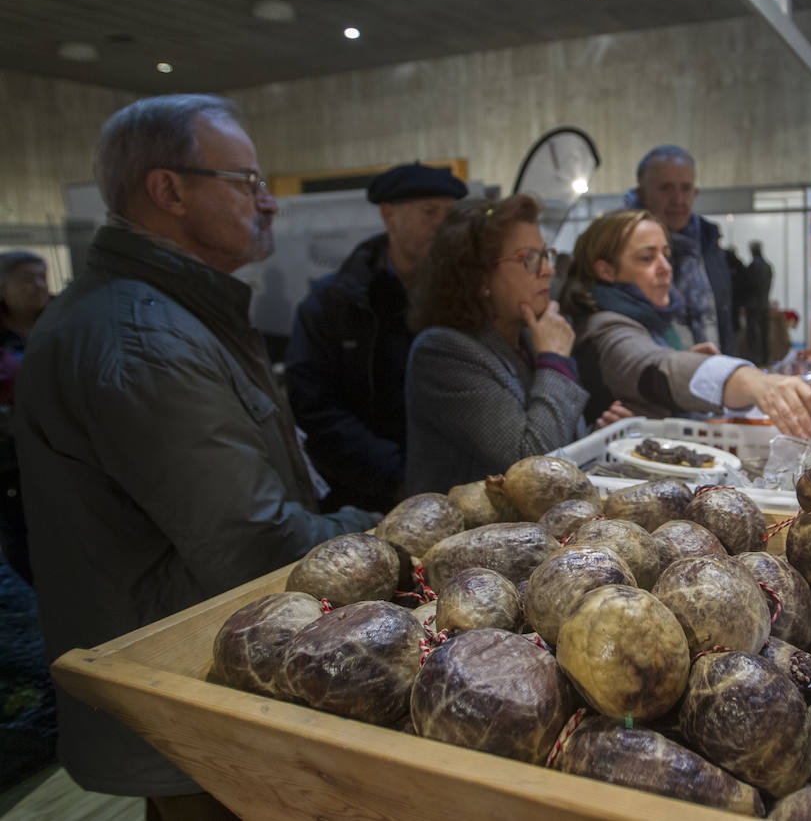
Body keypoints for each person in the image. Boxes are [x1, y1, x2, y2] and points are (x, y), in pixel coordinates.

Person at [13, 94, 379, 815]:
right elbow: (252, 542)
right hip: (187, 696)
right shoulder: (141, 338)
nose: (268, 202)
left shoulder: (165, 314)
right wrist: (385, 532)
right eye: (246, 182)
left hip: (197, 686)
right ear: (168, 190)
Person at [405, 196, 628, 492]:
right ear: (480, 275)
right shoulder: (443, 352)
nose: (547, 270)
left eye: (545, 255)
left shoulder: (527, 338)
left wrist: (597, 437)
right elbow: (532, 464)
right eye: (528, 259)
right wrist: (556, 362)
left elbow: (555, 440)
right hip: (472, 533)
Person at [285, 162, 468, 512]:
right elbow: (315, 408)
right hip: (365, 500)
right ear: (389, 215)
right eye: (429, 212)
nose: (442, 225)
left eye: (450, 214)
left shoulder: (466, 298)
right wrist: (398, 476)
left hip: (454, 488)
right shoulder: (334, 304)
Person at [563, 210, 811, 439]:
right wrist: (756, 382)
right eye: (646, 258)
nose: (665, 267)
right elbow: (660, 367)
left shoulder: (654, 319)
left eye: (665, 254)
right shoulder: (603, 326)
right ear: (606, 271)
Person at [626, 145, 736, 354]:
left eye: (685, 188)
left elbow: (723, 320)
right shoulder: (618, 246)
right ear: (642, 193)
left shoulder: (708, 242)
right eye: (665, 188)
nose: (678, 200)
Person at [0, 251, 48, 584]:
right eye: (27, 279)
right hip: (11, 459)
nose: (39, 286)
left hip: (56, 447)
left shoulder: (59, 324)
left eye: (42, 276)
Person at [744, 240, 774, 366]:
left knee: (754, 335)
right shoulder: (767, 266)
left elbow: (749, 285)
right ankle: (765, 359)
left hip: (753, 306)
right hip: (764, 304)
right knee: (764, 334)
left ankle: (755, 361)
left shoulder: (753, 266)